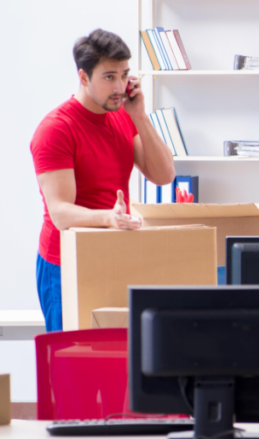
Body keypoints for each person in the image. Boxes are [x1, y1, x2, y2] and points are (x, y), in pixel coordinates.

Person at [32, 29, 175, 332]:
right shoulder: (56, 130)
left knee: (116, 363)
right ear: (83, 77)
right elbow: (60, 212)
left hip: (113, 251)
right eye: (109, 77)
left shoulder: (123, 114)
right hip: (65, 261)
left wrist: (140, 116)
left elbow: (163, 175)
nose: (120, 86)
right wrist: (108, 218)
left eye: (124, 75)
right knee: (73, 363)